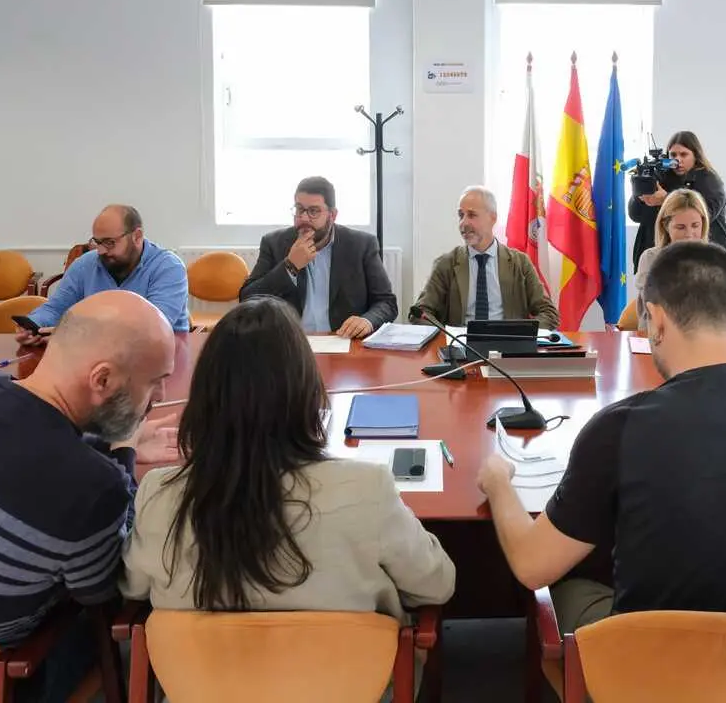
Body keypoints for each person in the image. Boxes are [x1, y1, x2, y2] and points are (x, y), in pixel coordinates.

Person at [476, 242, 726, 635]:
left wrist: (497, 481)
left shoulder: (619, 428)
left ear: (657, 320)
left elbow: (531, 565)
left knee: (566, 581)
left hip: (654, 674)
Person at [120, 295, 454, 622]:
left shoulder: (158, 493)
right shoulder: (369, 488)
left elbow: (133, 588)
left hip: (195, 676)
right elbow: (436, 586)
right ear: (306, 389)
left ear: (205, 394)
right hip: (346, 677)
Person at [0, 290, 180, 701]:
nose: (160, 397)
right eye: (156, 382)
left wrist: (104, 448)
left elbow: (26, 444)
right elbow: (101, 591)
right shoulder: (94, 488)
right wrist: (122, 453)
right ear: (103, 380)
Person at [239, 176, 398, 338]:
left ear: (332, 215)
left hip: (342, 341)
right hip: (291, 342)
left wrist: (367, 321)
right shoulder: (274, 243)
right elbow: (248, 299)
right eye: (299, 209)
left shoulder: (361, 245)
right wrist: (290, 266)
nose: (304, 218)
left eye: (313, 211)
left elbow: (386, 302)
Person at [16, 205, 190, 344]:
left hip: (164, 357)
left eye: (109, 243)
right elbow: (56, 308)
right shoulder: (85, 265)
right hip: (101, 358)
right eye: (97, 242)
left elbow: (154, 328)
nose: (101, 251)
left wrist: (78, 334)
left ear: (137, 236)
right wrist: (33, 325)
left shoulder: (168, 267)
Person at [412, 186, 559, 329]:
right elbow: (421, 312)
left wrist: (520, 333)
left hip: (507, 347)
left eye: (472, 215)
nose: (463, 223)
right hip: (460, 346)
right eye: (460, 215)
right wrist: (446, 336)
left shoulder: (520, 263)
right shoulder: (446, 264)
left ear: (492, 218)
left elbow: (549, 313)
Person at [629, 130, 726, 270]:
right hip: (660, 257)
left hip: (703, 259)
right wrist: (639, 194)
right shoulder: (662, 177)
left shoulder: (709, 180)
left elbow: (705, 215)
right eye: (673, 155)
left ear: (696, 155)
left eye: (684, 154)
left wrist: (666, 200)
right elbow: (636, 215)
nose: (678, 160)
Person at [618, 189, 710, 333]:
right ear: (665, 226)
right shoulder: (650, 258)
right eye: (680, 227)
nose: (689, 235)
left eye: (695, 226)